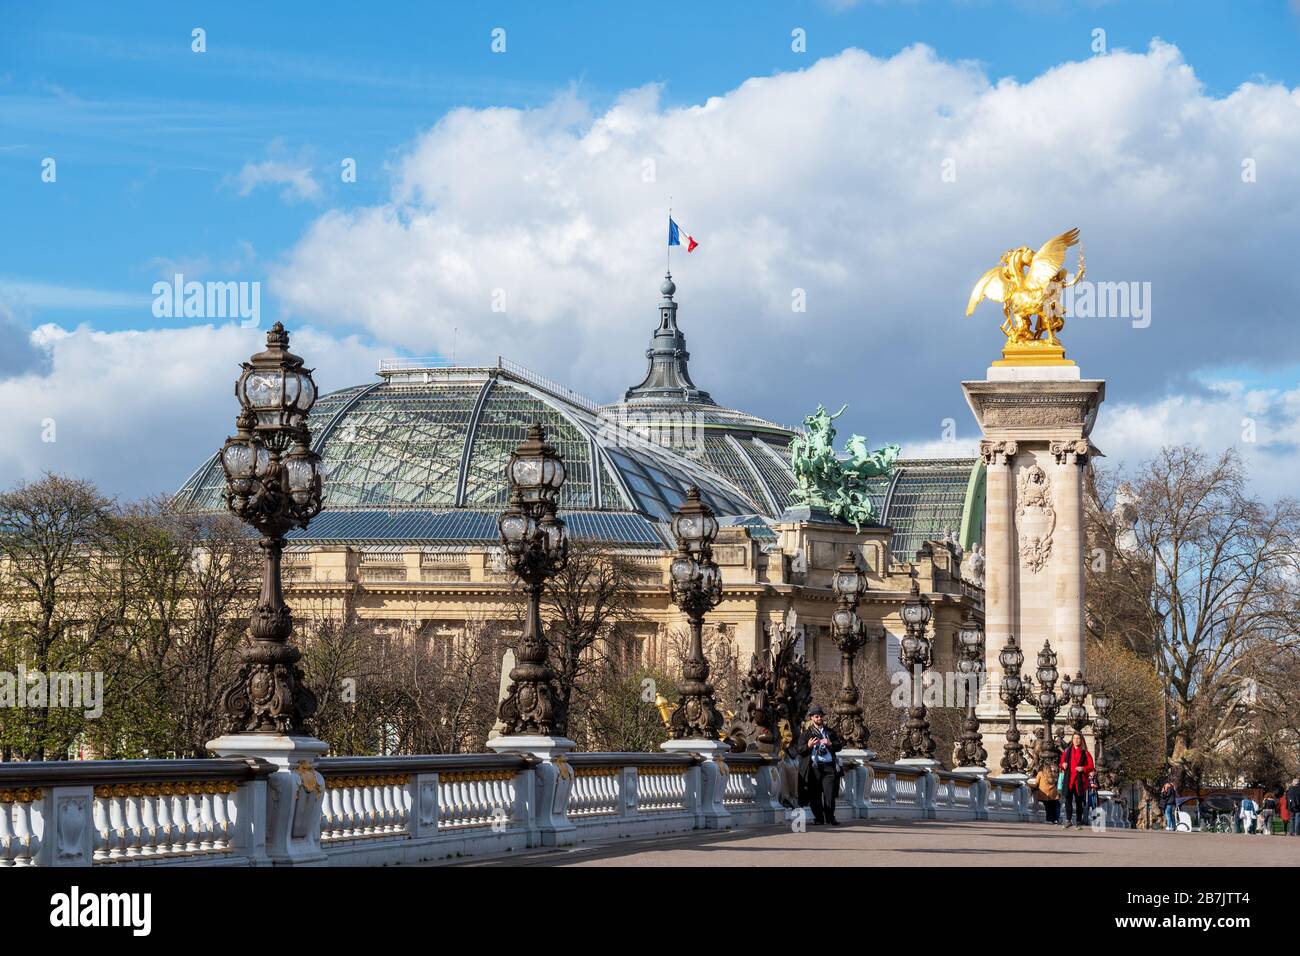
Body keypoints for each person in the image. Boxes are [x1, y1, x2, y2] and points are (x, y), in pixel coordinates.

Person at [796, 705, 844, 826]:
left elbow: (839, 746)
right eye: (816, 716)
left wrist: (830, 743)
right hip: (814, 768)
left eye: (821, 716)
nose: (819, 718)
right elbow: (799, 749)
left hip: (828, 767)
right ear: (812, 718)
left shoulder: (830, 732)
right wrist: (808, 746)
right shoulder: (806, 734)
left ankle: (830, 817)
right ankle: (819, 818)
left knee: (829, 795)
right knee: (815, 795)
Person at [1058, 731, 1094, 830]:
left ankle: (1078, 822)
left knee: (1079, 802)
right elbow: (1061, 763)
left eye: (1078, 738)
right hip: (1069, 779)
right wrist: (1063, 765)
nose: (1076, 740)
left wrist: (1083, 769)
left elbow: (1091, 766)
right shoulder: (1067, 751)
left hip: (1079, 781)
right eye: (1074, 738)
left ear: (1081, 740)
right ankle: (1068, 820)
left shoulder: (1085, 753)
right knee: (1068, 800)